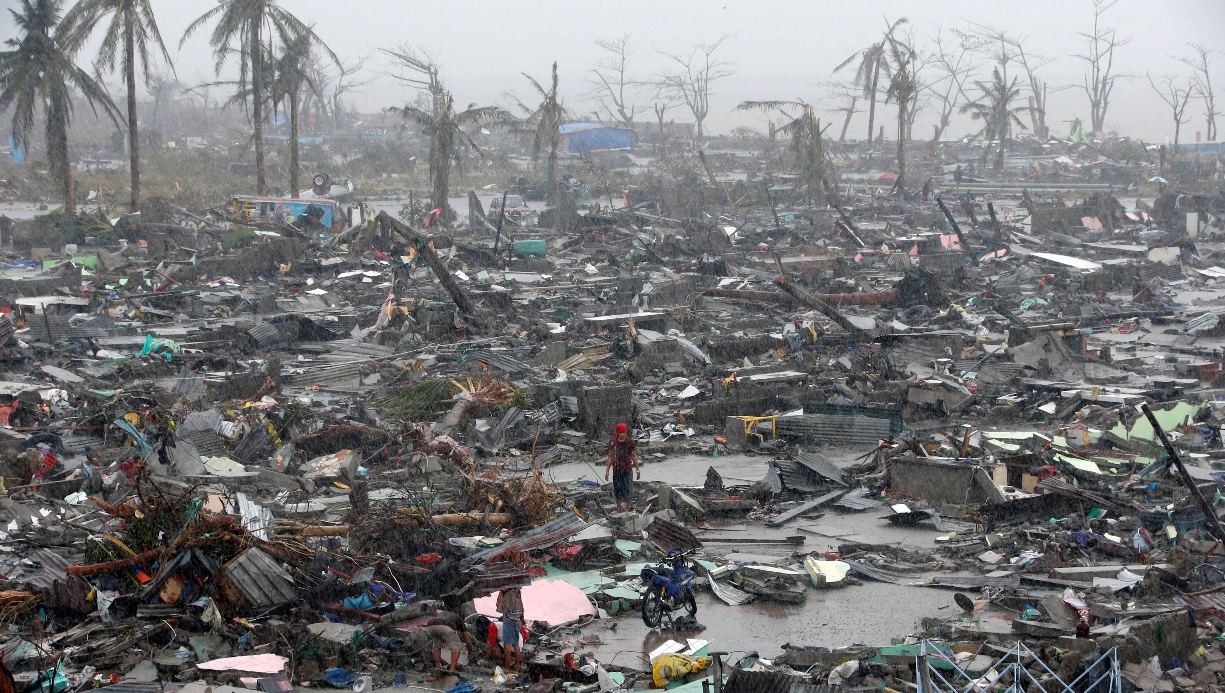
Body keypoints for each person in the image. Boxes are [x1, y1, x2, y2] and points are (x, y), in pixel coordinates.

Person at [604, 422, 640, 513]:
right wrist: (607, 471)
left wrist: (638, 469)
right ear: (617, 433)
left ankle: (627, 509)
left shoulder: (630, 442)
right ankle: (619, 508)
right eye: (621, 432)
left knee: (629, 491)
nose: (623, 434)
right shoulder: (612, 443)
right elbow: (610, 456)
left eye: (624, 432)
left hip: (627, 469)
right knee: (618, 491)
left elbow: (634, 456)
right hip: (616, 470)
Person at [496, 586, 524, 672]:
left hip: (509, 619)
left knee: (507, 644)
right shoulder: (517, 593)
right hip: (517, 619)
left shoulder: (508, 594)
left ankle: (507, 667)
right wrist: (522, 620)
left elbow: (499, 607)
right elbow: (522, 608)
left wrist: (500, 592)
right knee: (516, 644)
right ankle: (517, 666)